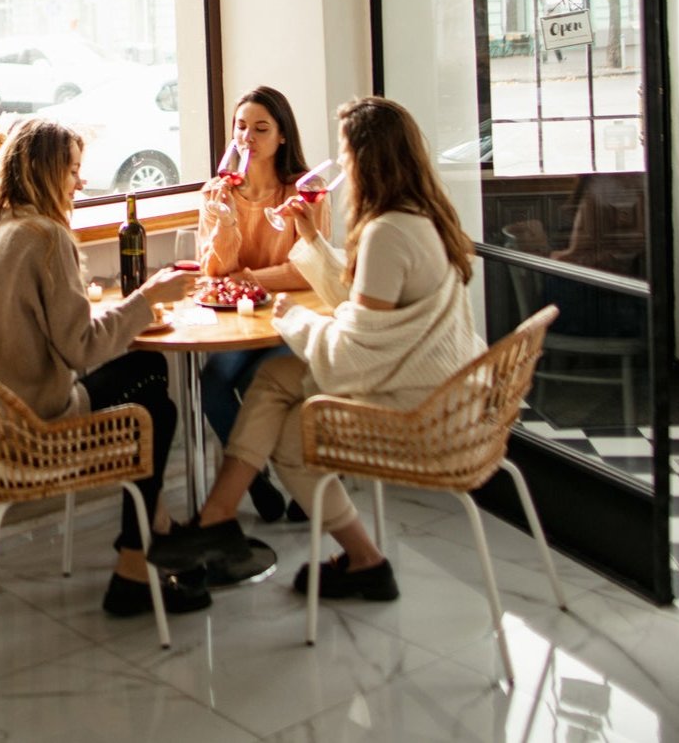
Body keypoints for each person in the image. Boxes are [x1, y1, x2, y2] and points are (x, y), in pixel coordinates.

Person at [151, 96, 485, 601]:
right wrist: (309, 237)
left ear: (367, 160)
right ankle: (336, 553)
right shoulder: (417, 217)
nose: (342, 164)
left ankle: (233, 521)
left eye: (347, 153)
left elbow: (353, 357)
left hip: (412, 397)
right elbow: (355, 304)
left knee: (286, 423)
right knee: (274, 396)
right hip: (433, 379)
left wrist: (291, 318)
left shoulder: (387, 233)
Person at [0, 117, 208, 617]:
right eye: (73, 170)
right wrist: (148, 298)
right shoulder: (48, 239)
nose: (81, 182)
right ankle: (133, 570)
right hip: (37, 423)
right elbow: (83, 350)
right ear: (47, 172)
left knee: (150, 374)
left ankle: (153, 528)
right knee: (158, 410)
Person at [197, 85, 328, 522]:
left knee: (265, 384)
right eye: (240, 127)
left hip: (287, 319)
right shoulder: (218, 191)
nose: (246, 137)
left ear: (282, 136)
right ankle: (254, 481)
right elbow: (214, 272)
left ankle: (301, 482)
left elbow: (305, 269)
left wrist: (248, 278)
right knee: (212, 383)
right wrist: (224, 223)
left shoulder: (306, 192)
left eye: (260, 128)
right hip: (238, 323)